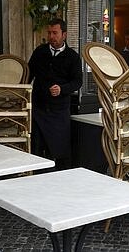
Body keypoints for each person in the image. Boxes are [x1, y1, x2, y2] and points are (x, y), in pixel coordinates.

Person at [28, 18, 82, 170]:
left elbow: (78, 81)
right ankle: (37, 177)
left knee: (61, 148)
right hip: (39, 107)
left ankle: (62, 178)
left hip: (59, 111)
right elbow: (28, 74)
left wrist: (62, 89)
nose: (51, 36)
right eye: (49, 33)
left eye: (55, 33)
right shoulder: (40, 52)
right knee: (37, 146)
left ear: (64, 34)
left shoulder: (73, 57)